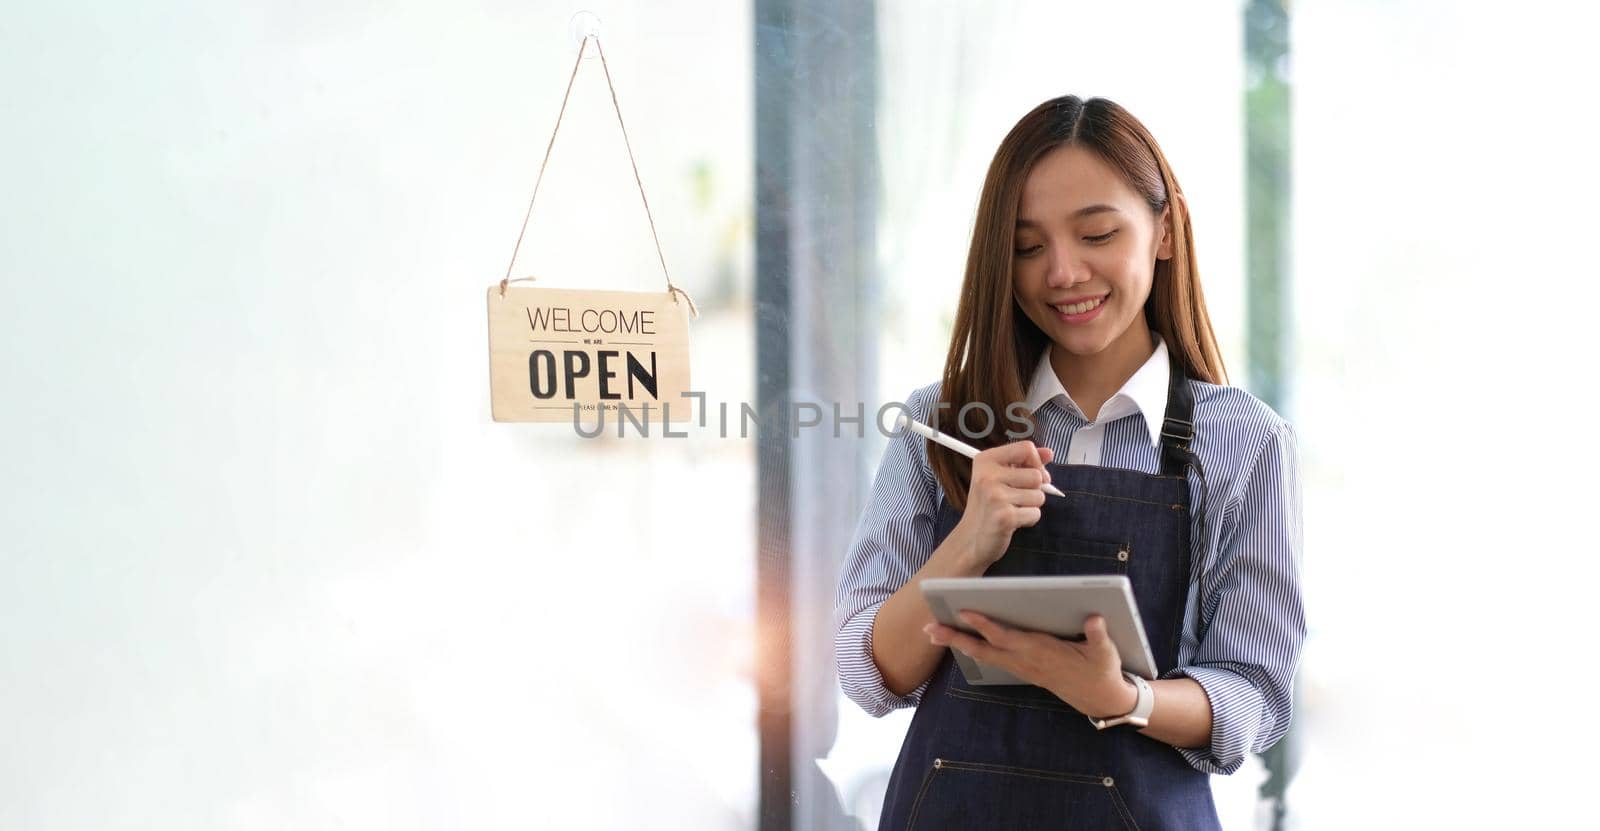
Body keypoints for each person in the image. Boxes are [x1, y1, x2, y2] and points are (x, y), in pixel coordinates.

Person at [834, 95, 1305, 829]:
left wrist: (1123, 698)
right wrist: (967, 544)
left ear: (1166, 230)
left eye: (1096, 233)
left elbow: (1255, 695)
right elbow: (870, 673)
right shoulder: (940, 424)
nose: (1062, 272)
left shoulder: (1244, 443)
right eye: (1027, 247)